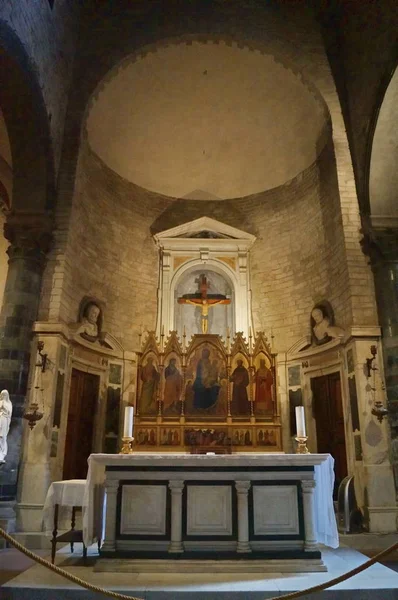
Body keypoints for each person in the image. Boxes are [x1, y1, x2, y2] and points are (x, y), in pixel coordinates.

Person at [0, 390, 12, 463]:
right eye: (2, 395)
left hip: (5, 420)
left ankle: (2, 454)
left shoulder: (8, 404)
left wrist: (4, 405)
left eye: (4, 395)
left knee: (2, 437)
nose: (3, 396)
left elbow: (9, 413)